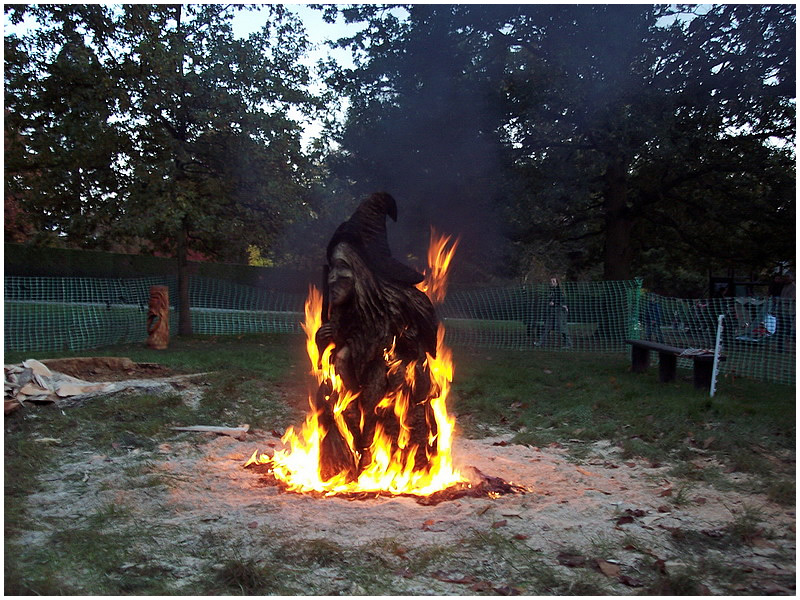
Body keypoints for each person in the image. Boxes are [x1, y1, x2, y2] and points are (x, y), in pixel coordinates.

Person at [536, 276, 572, 348]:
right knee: (546, 327)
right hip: (552, 312)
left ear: (557, 283)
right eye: (551, 281)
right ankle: (541, 342)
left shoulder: (560, 291)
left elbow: (562, 301)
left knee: (562, 328)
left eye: (553, 281)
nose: (551, 283)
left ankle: (568, 343)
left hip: (559, 312)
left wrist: (554, 303)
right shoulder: (551, 291)